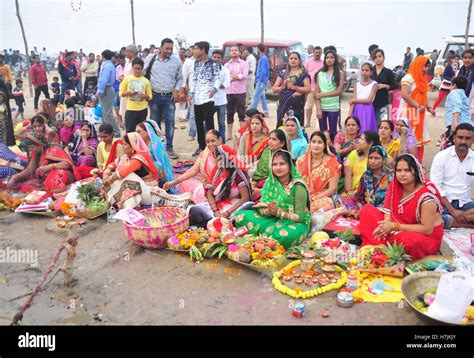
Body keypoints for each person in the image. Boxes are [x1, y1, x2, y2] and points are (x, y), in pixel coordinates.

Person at [360, 154, 443, 260]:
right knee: (367, 210)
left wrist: (393, 226)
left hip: (422, 236)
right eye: (399, 170)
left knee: (408, 241)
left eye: (407, 170)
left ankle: (382, 246)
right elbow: (387, 210)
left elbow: (427, 229)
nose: (402, 174)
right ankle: (377, 248)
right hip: (396, 227)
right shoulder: (394, 185)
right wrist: (386, 223)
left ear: (416, 172)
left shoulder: (427, 196)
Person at [234, 149, 311, 249]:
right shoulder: (270, 182)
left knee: (285, 236)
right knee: (240, 216)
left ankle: (260, 239)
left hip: (291, 222)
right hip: (270, 218)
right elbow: (261, 206)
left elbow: (299, 218)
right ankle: (265, 240)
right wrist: (268, 211)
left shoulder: (298, 186)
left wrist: (278, 213)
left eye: (282, 164)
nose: (278, 168)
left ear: (290, 166)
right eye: (274, 164)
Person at [188, 145, 252, 228]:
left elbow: (245, 198)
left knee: (236, 217)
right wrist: (215, 210)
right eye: (215, 158)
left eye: (218, 159)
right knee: (193, 210)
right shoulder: (217, 171)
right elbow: (210, 194)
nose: (216, 161)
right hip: (218, 204)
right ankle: (212, 224)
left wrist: (226, 213)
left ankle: (213, 224)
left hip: (233, 206)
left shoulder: (237, 173)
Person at [144, 38, 183, 159]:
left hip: (169, 98)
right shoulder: (151, 59)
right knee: (154, 124)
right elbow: (143, 74)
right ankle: (157, 149)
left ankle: (169, 148)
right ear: (160, 48)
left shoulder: (176, 61)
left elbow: (180, 78)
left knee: (170, 123)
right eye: (167, 48)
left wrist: (176, 89)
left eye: (171, 49)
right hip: (154, 96)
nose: (169, 51)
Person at [430, 123, 474, 229]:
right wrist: (452, 210)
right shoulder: (441, 157)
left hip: (465, 204)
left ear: (473, 140)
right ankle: (465, 223)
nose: (463, 141)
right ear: (454, 138)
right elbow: (435, 187)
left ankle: (451, 221)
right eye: (460, 137)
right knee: (428, 217)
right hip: (443, 204)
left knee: (439, 220)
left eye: (467, 138)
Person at [102, 132, 160, 209]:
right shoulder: (126, 156)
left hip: (149, 191)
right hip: (138, 190)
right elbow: (114, 164)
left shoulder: (139, 158)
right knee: (129, 196)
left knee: (128, 176)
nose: (122, 146)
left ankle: (111, 200)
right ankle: (122, 205)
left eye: (125, 144)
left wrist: (108, 181)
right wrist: (107, 171)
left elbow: (122, 173)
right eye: (122, 144)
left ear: (133, 146)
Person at [163, 130, 222, 204]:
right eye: (207, 142)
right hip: (205, 185)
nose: (210, 144)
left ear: (220, 140)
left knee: (199, 196)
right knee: (184, 184)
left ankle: (200, 200)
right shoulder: (205, 153)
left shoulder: (225, 154)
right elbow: (193, 170)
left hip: (219, 189)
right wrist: (175, 182)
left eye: (213, 141)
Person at [8, 133, 78, 194]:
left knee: (56, 175)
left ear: (40, 146)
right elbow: (29, 169)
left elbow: (67, 164)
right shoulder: (36, 153)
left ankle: (54, 193)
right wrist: (16, 177)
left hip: (61, 174)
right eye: (30, 148)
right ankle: (47, 191)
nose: (31, 150)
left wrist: (51, 166)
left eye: (32, 147)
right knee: (26, 186)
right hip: (45, 180)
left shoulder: (53, 150)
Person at [399, 56, 435, 163]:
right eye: (425, 66)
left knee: (420, 139)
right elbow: (404, 95)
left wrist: (429, 107)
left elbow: (424, 95)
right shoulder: (408, 78)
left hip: (420, 114)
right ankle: (407, 163)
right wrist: (417, 106)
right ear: (418, 65)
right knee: (408, 138)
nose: (426, 69)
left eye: (428, 67)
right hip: (408, 113)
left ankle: (418, 163)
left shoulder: (422, 78)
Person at [189, 41, 221, 157]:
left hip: (208, 98)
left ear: (203, 50)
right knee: (198, 123)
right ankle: (201, 146)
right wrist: (191, 93)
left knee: (209, 123)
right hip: (197, 98)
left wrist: (214, 89)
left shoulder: (214, 64)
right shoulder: (196, 63)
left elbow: (218, 79)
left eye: (196, 49)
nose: (194, 51)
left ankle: (213, 147)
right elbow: (195, 79)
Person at [297, 131, 341, 212]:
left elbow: (333, 189)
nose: (316, 145)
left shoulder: (333, 163)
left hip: (321, 197)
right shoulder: (301, 161)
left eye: (320, 142)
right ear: (309, 144)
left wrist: (314, 198)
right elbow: (295, 181)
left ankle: (301, 213)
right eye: (313, 142)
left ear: (324, 145)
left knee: (327, 203)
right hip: (302, 195)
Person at [272, 52, 311, 128]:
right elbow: (274, 89)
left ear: (299, 61)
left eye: (296, 58)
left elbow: (308, 89)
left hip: (297, 106)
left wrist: (294, 87)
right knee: (282, 126)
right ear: (288, 60)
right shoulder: (283, 73)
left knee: (295, 126)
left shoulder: (303, 74)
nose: (293, 60)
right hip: (283, 104)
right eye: (291, 58)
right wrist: (281, 88)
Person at [251, 129, 291, 198]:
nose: (270, 141)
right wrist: (253, 184)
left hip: (275, 190)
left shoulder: (286, 158)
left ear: (282, 143)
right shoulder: (266, 151)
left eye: (274, 139)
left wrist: (261, 190)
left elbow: (284, 183)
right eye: (269, 138)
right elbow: (258, 172)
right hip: (259, 184)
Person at [315, 50, 345, 138]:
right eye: (327, 57)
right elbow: (317, 93)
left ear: (335, 59)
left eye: (332, 57)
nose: (329, 59)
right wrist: (318, 109)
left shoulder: (340, 74)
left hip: (333, 107)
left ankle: (333, 150)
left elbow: (338, 91)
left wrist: (322, 95)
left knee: (333, 132)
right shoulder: (320, 74)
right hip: (322, 107)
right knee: (322, 133)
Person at [136, 120, 174, 188]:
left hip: (155, 171)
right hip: (146, 169)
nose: (137, 135)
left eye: (139, 132)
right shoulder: (138, 143)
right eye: (136, 132)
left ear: (147, 132)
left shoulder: (156, 144)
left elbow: (162, 164)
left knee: (157, 165)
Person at [119, 57, 152, 133]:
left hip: (142, 110)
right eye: (135, 69)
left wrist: (144, 96)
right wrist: (129, 93)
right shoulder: (127, 79)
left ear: (142, 69)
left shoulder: (145, 81)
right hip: (131, 110)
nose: (137, 71)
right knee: (130, 132)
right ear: (132, 68)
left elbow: (150, 96)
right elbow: (121, 93)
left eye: (139, 69)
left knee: (141, 132)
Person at [224, 46, 249, 140]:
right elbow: (226, 77)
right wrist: (237, 77)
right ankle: (229, 135)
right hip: (229, 92)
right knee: (229, 113)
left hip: (240, 92)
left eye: (235, 50)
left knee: (241, 113)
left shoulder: (244, 63)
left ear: (239, 52)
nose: (234, 52)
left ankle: (242, 134)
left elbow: (244, 75)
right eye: (232, 50)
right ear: (229, 53)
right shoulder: (226, 65)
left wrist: (232, 77)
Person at [97, 50, 120, 137]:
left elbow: (103, 80)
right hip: (107, 89)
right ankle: (107, 130)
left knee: (107, 112)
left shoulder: (107, 66)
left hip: (106, 89)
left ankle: (116, 131)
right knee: (105, 112)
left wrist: (99, 91)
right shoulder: (110, 65)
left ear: (103, 56)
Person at [349, 63, 378, 132]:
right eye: (363, 70)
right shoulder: (357, 84)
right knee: (356, 129)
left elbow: (369, 100)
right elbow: (354, 99)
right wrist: (349, 113)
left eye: (367, 70)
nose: (364, 72)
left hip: (367, 109)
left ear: (371, 72)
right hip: (357, 109)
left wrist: (354, 100)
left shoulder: (374, 84)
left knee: (366, 129)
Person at [211, 50, 230, 142]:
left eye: (218, 58)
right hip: (209, 100)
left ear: (222, 59)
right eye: (214, 57)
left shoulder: (225, 70)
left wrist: (215, 85)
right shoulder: (206, 70)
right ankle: (210, 141)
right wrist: (219, 84)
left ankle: (222, 142)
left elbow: (226, 84)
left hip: (221, 101)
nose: (216, 59)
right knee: (208, 123)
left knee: (221, 123)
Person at [372, 49, 395, 124]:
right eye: (375, 57)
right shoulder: (370, 70)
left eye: (379, 56)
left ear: (383, 57)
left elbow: (394, 85)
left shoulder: (388, 72)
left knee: (381, 125)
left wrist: (386, 86)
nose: (377, 58)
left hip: (383, 102)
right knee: (370, 125)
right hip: (370, 102)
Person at [304, 46, 324, 128]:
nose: (317, 54)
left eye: (319, 53)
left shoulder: (324, 63)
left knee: (320, 107)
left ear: (321, 53)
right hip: (311, 89)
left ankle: (319, 124)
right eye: (316, 52)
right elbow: (304, 74)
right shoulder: (308, 63)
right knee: (309, 107)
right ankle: (308, 122)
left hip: (321, 90)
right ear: (313, 52)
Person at [182, 45, 197, 142]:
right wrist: (183, 90)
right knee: (192, 114)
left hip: (204, 92)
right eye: (192, 49)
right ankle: (192, 134)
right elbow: (184, 76)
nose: (193, 51)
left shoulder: (205, 61)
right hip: (193, 91)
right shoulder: (188, 62)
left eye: (195, 49)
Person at [119, 45, 138, 123]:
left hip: (132, 90)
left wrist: (125, 79)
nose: (125, 53)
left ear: (132, 52)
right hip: (124, 90)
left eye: (126, 51)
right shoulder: (127, 63)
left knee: (131, 114)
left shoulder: (136, 62)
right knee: (124, 112)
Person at [250, 44, 270, 116]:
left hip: (261, 80)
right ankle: (266, 111)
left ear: (258, 49)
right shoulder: (263, 58)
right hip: (261, 79)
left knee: (255, 95)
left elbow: (263, 71)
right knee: (262, 96)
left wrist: (259, 79)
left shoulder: (263, 58)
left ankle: (252, 112)